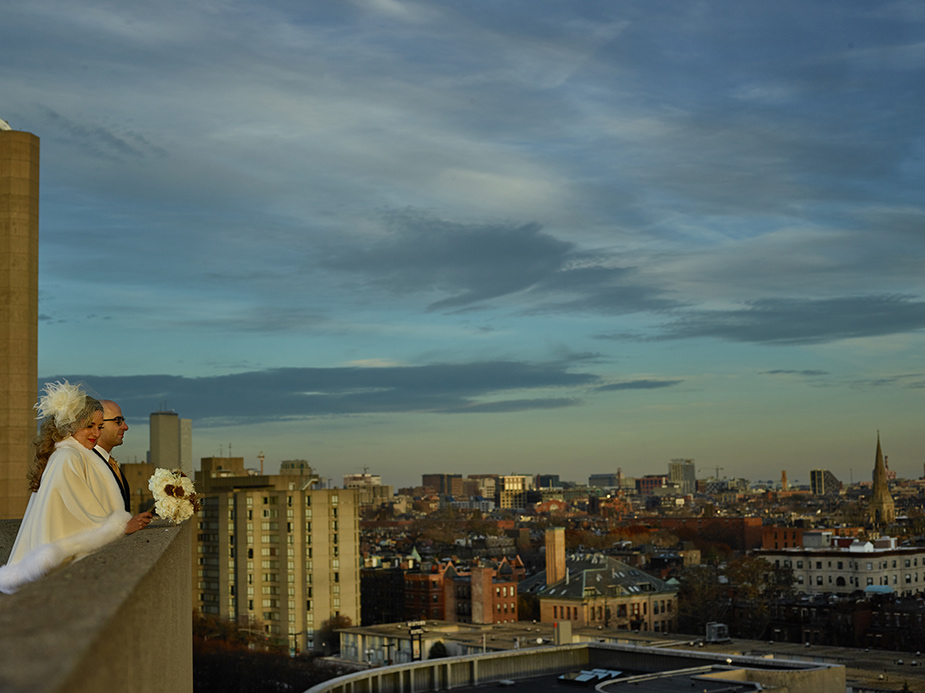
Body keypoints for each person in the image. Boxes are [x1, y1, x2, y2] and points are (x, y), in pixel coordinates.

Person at [0, 382, 150, 594]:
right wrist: (121, 527)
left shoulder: (74, 455)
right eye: (89, 426)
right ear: (71, 425)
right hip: (59, 566)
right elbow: (81, 508)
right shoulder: (68, 457)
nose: (96, 434)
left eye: (99, 427)